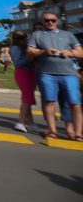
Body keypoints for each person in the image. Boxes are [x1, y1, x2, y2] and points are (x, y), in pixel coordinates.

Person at [27, 11, 82, 140]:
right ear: (43, 22)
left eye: (53, 20)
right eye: (47, 20)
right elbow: (29, 53)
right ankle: (52, 130)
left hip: (69, 74)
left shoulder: (68, 34)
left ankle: (78, 133)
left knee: (75, 103)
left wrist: (70, 53)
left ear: (57, 21)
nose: (50, 22)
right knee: (49, 102)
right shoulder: (37, 35)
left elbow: (81, 52)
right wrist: (44, 52)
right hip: (47, 74)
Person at [10, 30, 37, 133]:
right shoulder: (15, 48)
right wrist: (29, 58)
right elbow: (17, 63)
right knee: (27, 98)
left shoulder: (25, 47)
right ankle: (20, 122)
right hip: (23, 73)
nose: (23, 39)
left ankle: (30, 123)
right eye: (19, 38)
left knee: (28, 99)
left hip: (31, 72)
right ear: (15, 39)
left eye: (24, 37)